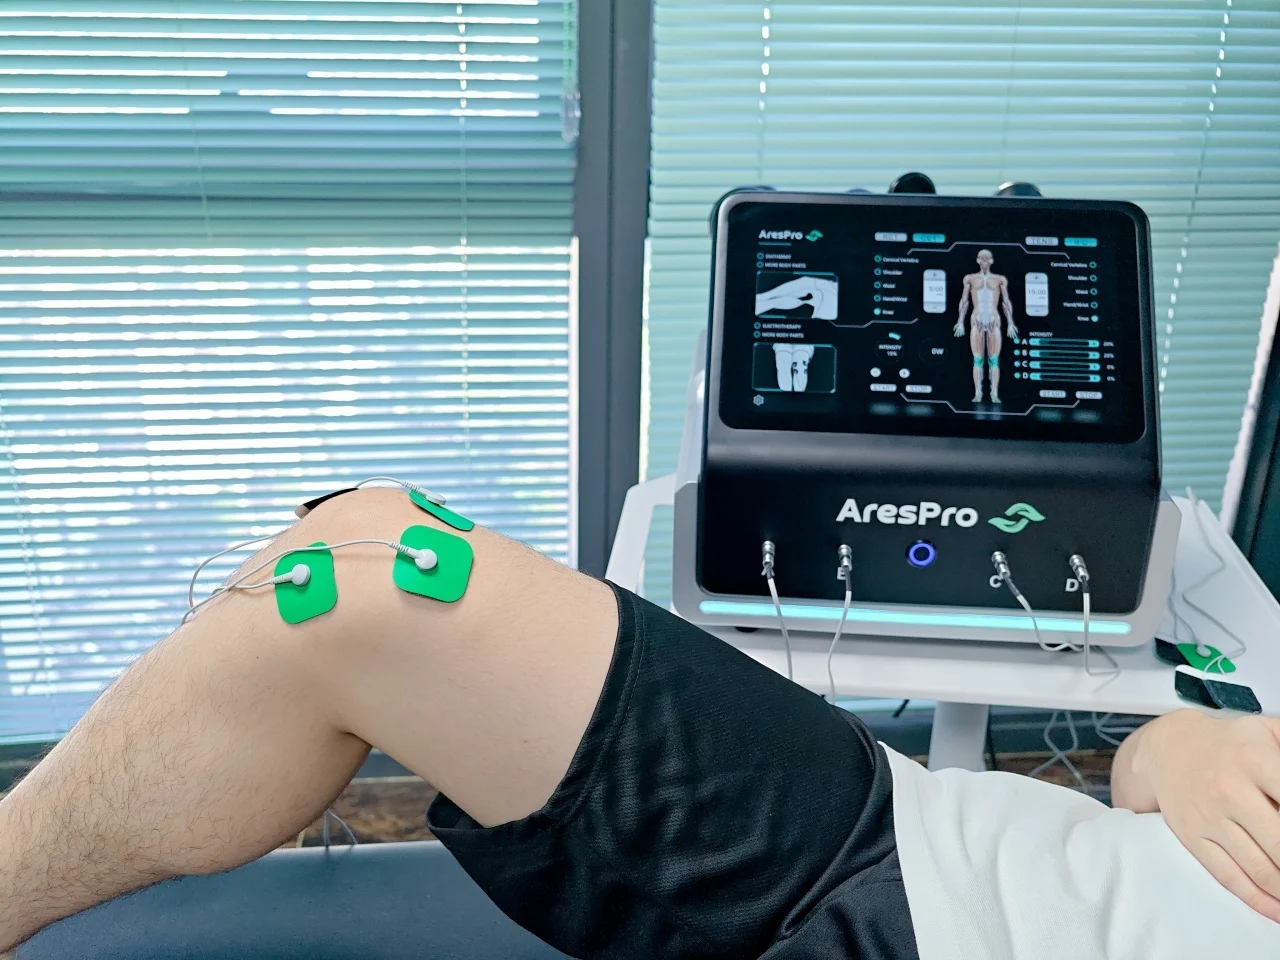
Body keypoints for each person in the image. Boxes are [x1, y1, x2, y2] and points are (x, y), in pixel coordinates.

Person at [1, 486, 1278, 958]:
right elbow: (1147, 779)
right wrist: (1187, 747)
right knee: (352, 570)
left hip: (923, 938)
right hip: (926, 824)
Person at [954, 249, 1018, 403]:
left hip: (993, 320)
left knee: (994, 359)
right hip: (976, 319)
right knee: (977, 359)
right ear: (977, 260)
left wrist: (1010, 323)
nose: (984, 260)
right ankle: (978, 393)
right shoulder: (970, 278)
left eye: (987, 257)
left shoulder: (999, 279)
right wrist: (960, 321)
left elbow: (1005, 302)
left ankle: (994, 393)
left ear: (991, 260)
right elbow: (964, 300)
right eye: (981, 257)